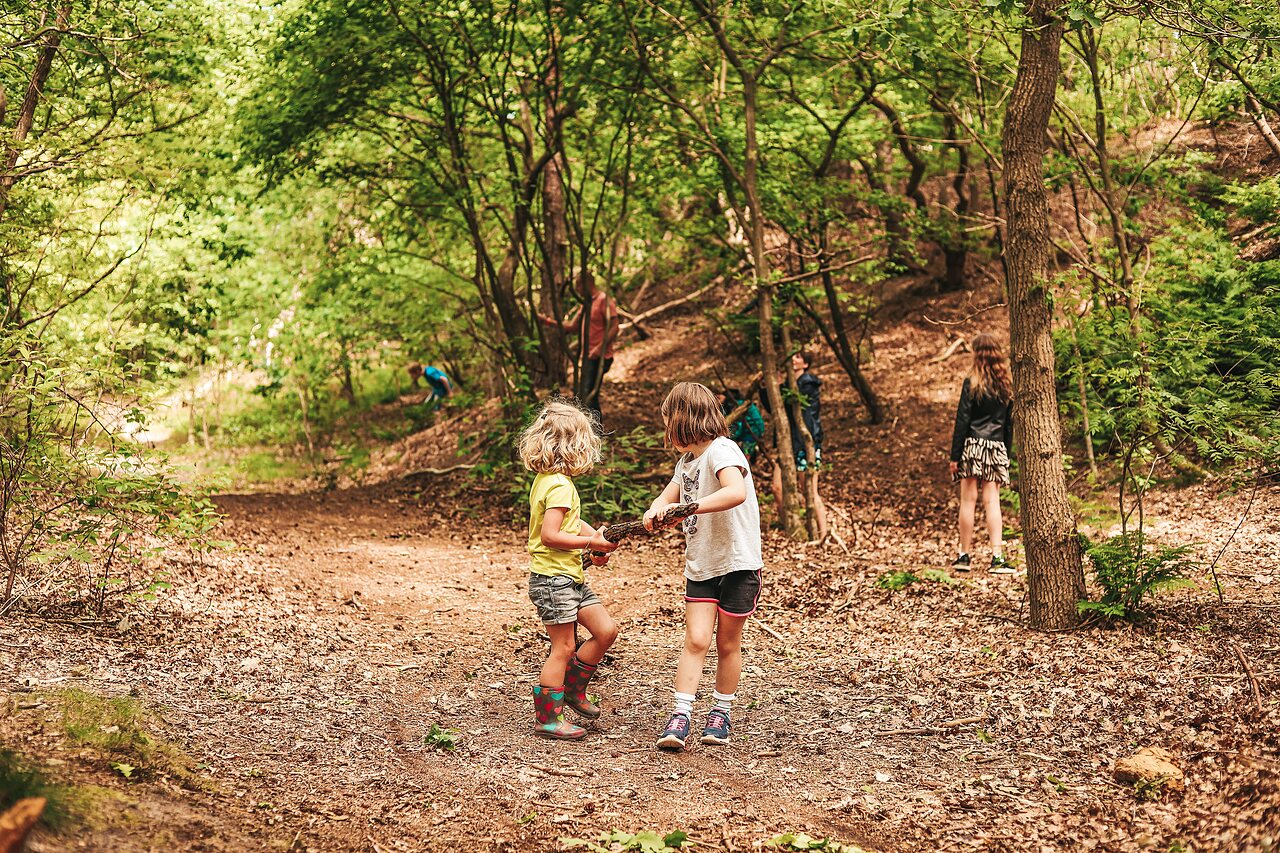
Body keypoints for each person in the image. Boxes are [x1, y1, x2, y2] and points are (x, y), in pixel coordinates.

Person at [643, 382, 763, 751]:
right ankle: (681, 715)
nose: (667, 432)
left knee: (727, 642)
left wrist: (688, 508)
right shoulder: (687, 463)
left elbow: (734, 492)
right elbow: (666, 497)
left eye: (668, 422)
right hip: (702, 565)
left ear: (683, 420)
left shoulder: (723, 450)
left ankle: (720, 713)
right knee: (695, 640)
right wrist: (655, 511)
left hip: (737, 562)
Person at [516, 400, 620, 740]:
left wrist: (596, 537)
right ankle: (548, 717)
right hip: (553, 580)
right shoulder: (558, 485)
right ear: (574, 445)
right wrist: (590, 545)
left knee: (605, 631)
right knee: (562, 647)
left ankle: (573, 689)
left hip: (570, 579)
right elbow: (550, 535)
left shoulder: (551, 480)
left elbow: (570, 523)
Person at [948, 333, 1015, 573]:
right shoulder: (1006, 384)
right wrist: (1005, 453)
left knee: (968, 500)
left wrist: (955, 455)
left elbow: (962, 420)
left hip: (973, 445)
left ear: (977, 354)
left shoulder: (972, 382)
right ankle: (997, 557)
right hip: (996, 446)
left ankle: (964, 555)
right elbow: (1009, 424)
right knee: (992, 502)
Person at [537, 271, 620, 420]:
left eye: (578, 286)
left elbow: (614, 326)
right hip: (588, 356)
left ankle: (597, 433)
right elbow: (572, 326)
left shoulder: (603, 300)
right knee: (584, 395)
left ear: (586, 283)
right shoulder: (586, 304)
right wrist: (547, 321)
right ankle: (592, 431)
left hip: (599, 357)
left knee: (589, 396)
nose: (578, 290)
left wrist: (599, 348)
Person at [768, 351, 827, 541]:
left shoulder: (808, 384)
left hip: (803, 445)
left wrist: (808, 445)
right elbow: (774, 409)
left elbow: (804, 413)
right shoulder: (787, 386)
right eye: (793, 356)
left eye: (799, 357)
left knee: (809, 491)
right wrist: (769, 388)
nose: (793, 359)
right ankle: (792, 532)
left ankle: (822, 535)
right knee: (777, 488)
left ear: (806, 364)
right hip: (787, 447)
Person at [720, 388, 765, 464]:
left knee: (746, 454)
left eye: (719, 397)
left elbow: (738, 424)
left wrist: (732, 436)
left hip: (752, 431)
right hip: (754, 430)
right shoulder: (739, 404)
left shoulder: (739, 406)